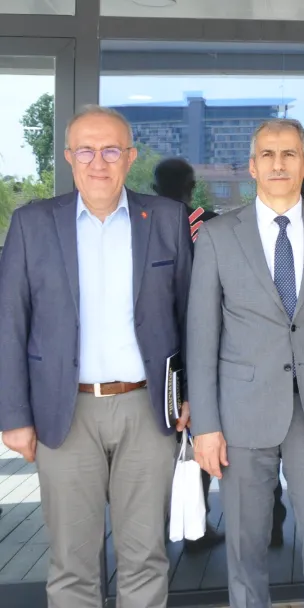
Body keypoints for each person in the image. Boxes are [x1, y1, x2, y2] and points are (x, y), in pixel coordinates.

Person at [0, 105, 193, 608]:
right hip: (63, 412)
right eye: (85, 151)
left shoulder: (166, 219)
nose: (98, 162)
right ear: (68, 157)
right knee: (72, 563)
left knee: (146, 557)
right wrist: (13, 416)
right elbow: (9, 323)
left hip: (147, 409)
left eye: (111, 150)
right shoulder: (32, 224)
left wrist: (190, 394)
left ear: (130, 157)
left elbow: (190, 314)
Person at [186, 118, 304, 608]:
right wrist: (206, 426)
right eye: (267, 154)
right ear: (251, 166)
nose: (278, 164)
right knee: (245, 549)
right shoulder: (217, 236)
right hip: (241, 417)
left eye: (289, 154)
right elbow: (201, 336)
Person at [151, 156, 227, 553]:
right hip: (204, 345)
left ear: (154, 187)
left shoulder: (143, 225)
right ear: (191, 186)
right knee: (202, 431)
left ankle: (156, 525)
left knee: (155, 439)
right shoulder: (209, 224)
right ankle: (196, 523)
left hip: (155, 347)